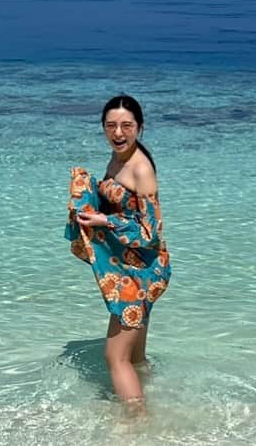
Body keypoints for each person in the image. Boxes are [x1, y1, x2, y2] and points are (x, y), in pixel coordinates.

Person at [65, 94, 171, 415]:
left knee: (115, 357)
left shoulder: (140, 169)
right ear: (103, 128)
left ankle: (136, 425)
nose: (119, 133)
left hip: (141, 274)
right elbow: (119, 202)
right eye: (111, 126)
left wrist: (104, 220)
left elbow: (152, 233)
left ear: (140, 127)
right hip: (133, 267)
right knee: (135, 358)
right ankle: (155, 406)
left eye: (127, 125)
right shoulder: (116, 159)